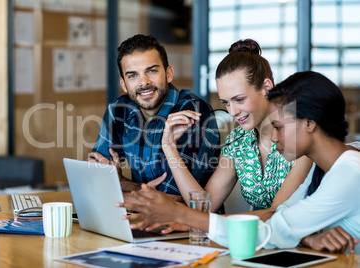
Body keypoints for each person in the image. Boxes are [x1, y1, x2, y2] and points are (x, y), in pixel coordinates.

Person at [117, 71, 360, 253]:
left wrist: (181, 214)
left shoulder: (349, 173)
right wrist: (307, 237)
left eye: (279, 127)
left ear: (309, 123)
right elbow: (281, 218)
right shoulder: (321, 168)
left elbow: (273, 230)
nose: (274, 137)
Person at [160, 39, 312, 215]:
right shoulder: (238, 141)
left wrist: (203, 221)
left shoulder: (300, 133)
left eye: (239, 99)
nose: (232, 111)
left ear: (266, 88)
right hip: (256, 239)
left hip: (301, 241)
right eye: (226, 103)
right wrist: (169, 146)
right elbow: (204, 206)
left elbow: (276, 214)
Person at [89, 34, 220, 201]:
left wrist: (120, 185)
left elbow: (175, 199)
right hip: (134, 219)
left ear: (169, 73)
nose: (143, 82)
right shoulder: (118, 110)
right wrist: (132, 188)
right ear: (124, 84)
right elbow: (97, 177)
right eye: (132, 75)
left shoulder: (193, 111)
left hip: (189, 225)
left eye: (151, 71)